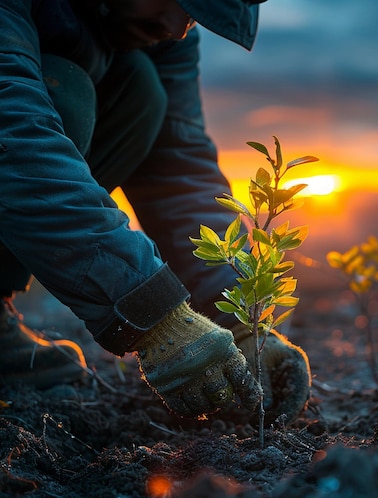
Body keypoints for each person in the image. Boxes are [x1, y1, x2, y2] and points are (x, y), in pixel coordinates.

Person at [0, 0, 311, 422]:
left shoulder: (157, 27)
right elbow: (12, 131)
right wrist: (156, 315)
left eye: (194, 14)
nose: (177, 27)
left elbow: (179, 171)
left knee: (141, 89)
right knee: (64, 90)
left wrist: (238, 317)